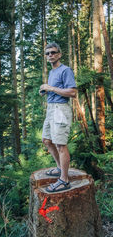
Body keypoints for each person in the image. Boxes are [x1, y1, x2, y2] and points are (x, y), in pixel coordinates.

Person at [39, 42, 77, 192]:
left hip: (61, 110)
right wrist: (45, 90)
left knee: (61, 145)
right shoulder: (52, 72)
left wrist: (51, 88)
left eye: (53, 52)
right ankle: (60, 168)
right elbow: (55, 90)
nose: (50, 55)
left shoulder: (65, 70)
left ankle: (64, 180)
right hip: (51, 109)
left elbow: (73, 93)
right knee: (47, 140)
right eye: (48, 53)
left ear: (59, 54)